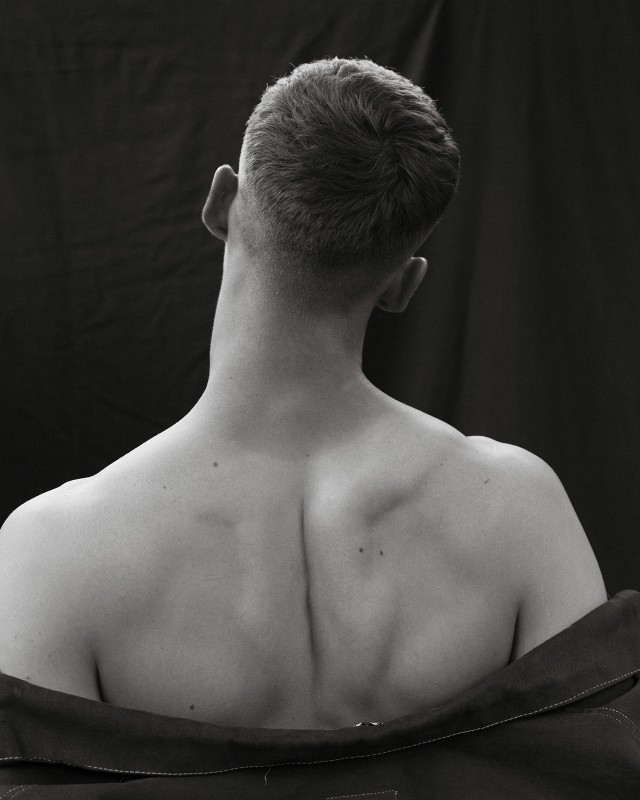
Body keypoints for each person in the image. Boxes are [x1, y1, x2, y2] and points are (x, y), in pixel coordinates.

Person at [0, 57, 606, 730]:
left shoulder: (52, 552)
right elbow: (594, 763)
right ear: (404, 283)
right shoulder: (521, 512)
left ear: (221, 203)